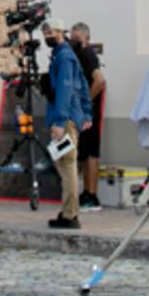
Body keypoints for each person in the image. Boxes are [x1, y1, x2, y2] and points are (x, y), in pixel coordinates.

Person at [42, 23, 88, 231]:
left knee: (67, 165)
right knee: (63, 164)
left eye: (51, 33)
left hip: (65, 118)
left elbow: (65, 89)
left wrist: (60, 122)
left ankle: (70, 213)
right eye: (45, 33)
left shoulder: (64, 57)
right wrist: (87, 112)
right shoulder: (64, 56)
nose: (48, 36)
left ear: (61, 33)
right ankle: (68, 209)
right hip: (68, 116)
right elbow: (82, 86)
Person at [70, 21, 106, 210]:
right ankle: (85, 192)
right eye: (72, 37)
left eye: (77, 38)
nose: (73, 40)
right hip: (80, 112)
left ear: (86, 38)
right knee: (83, 153)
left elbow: (99, 81)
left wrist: (86, 104)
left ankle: (92, 195)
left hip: (89, 112)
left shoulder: (87, 55)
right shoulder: (77, 56)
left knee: (91, 152)